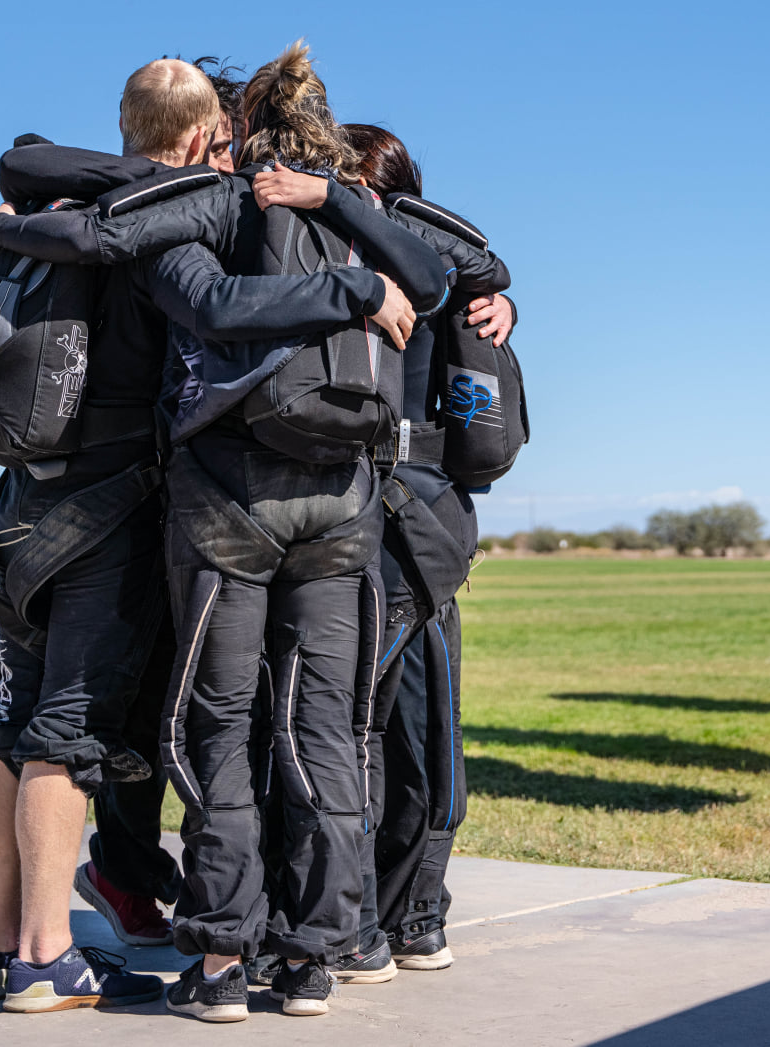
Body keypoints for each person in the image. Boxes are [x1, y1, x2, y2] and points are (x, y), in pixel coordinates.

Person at [0, 41, 448, 1020]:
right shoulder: (346, 210)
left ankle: (218, 961)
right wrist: (354, 255)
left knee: (211, 727)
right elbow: (447, 273)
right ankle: (320, 952)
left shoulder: (187, 206)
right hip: (343, 499)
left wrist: (13, 227)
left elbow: (195, 295)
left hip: (210, 500)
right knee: (325, 729)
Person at [0, 58, 235, 1015]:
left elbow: (20, 157)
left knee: (4, 729)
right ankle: (45, 956)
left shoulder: (56, 204)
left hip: (22, 504)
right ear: (200, 138)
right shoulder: (175, 208)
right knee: (63, 740)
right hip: (109, 515)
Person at [326, 124, 513, 980]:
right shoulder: (335, 261)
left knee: (387, 724)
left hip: (406, 529)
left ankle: (407, 914)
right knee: (372, 724)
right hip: (404, 529)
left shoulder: (429, 269)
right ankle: (383, 916)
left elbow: (479, 266)